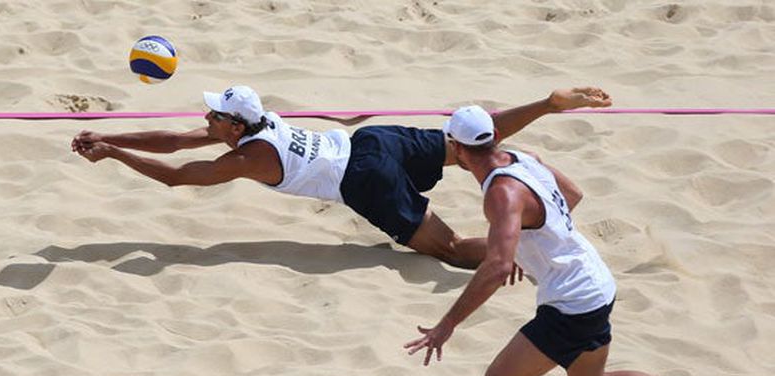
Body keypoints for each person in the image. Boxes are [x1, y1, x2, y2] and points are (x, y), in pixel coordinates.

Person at [404, 106, 752, 376]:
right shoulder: (522, 157)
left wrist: (447, 324)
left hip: (572, 302)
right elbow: (572, 194)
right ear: (495, 137)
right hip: (596, 283)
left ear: (457, 149)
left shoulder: (501, 194)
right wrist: (523, 242)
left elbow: (497, 268)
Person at [71, 85, 611, 269]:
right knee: (470, 142)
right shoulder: (255, 124)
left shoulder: (247, 157)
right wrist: (112, 136)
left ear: (235, 124)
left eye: (214, 115)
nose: (206, 119)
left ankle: (521, 245)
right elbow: (175, 140)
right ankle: (546, 107)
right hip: (374, 140)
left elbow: (176, 176)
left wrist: (114, 156)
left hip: (364, 177)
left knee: (447, 250)